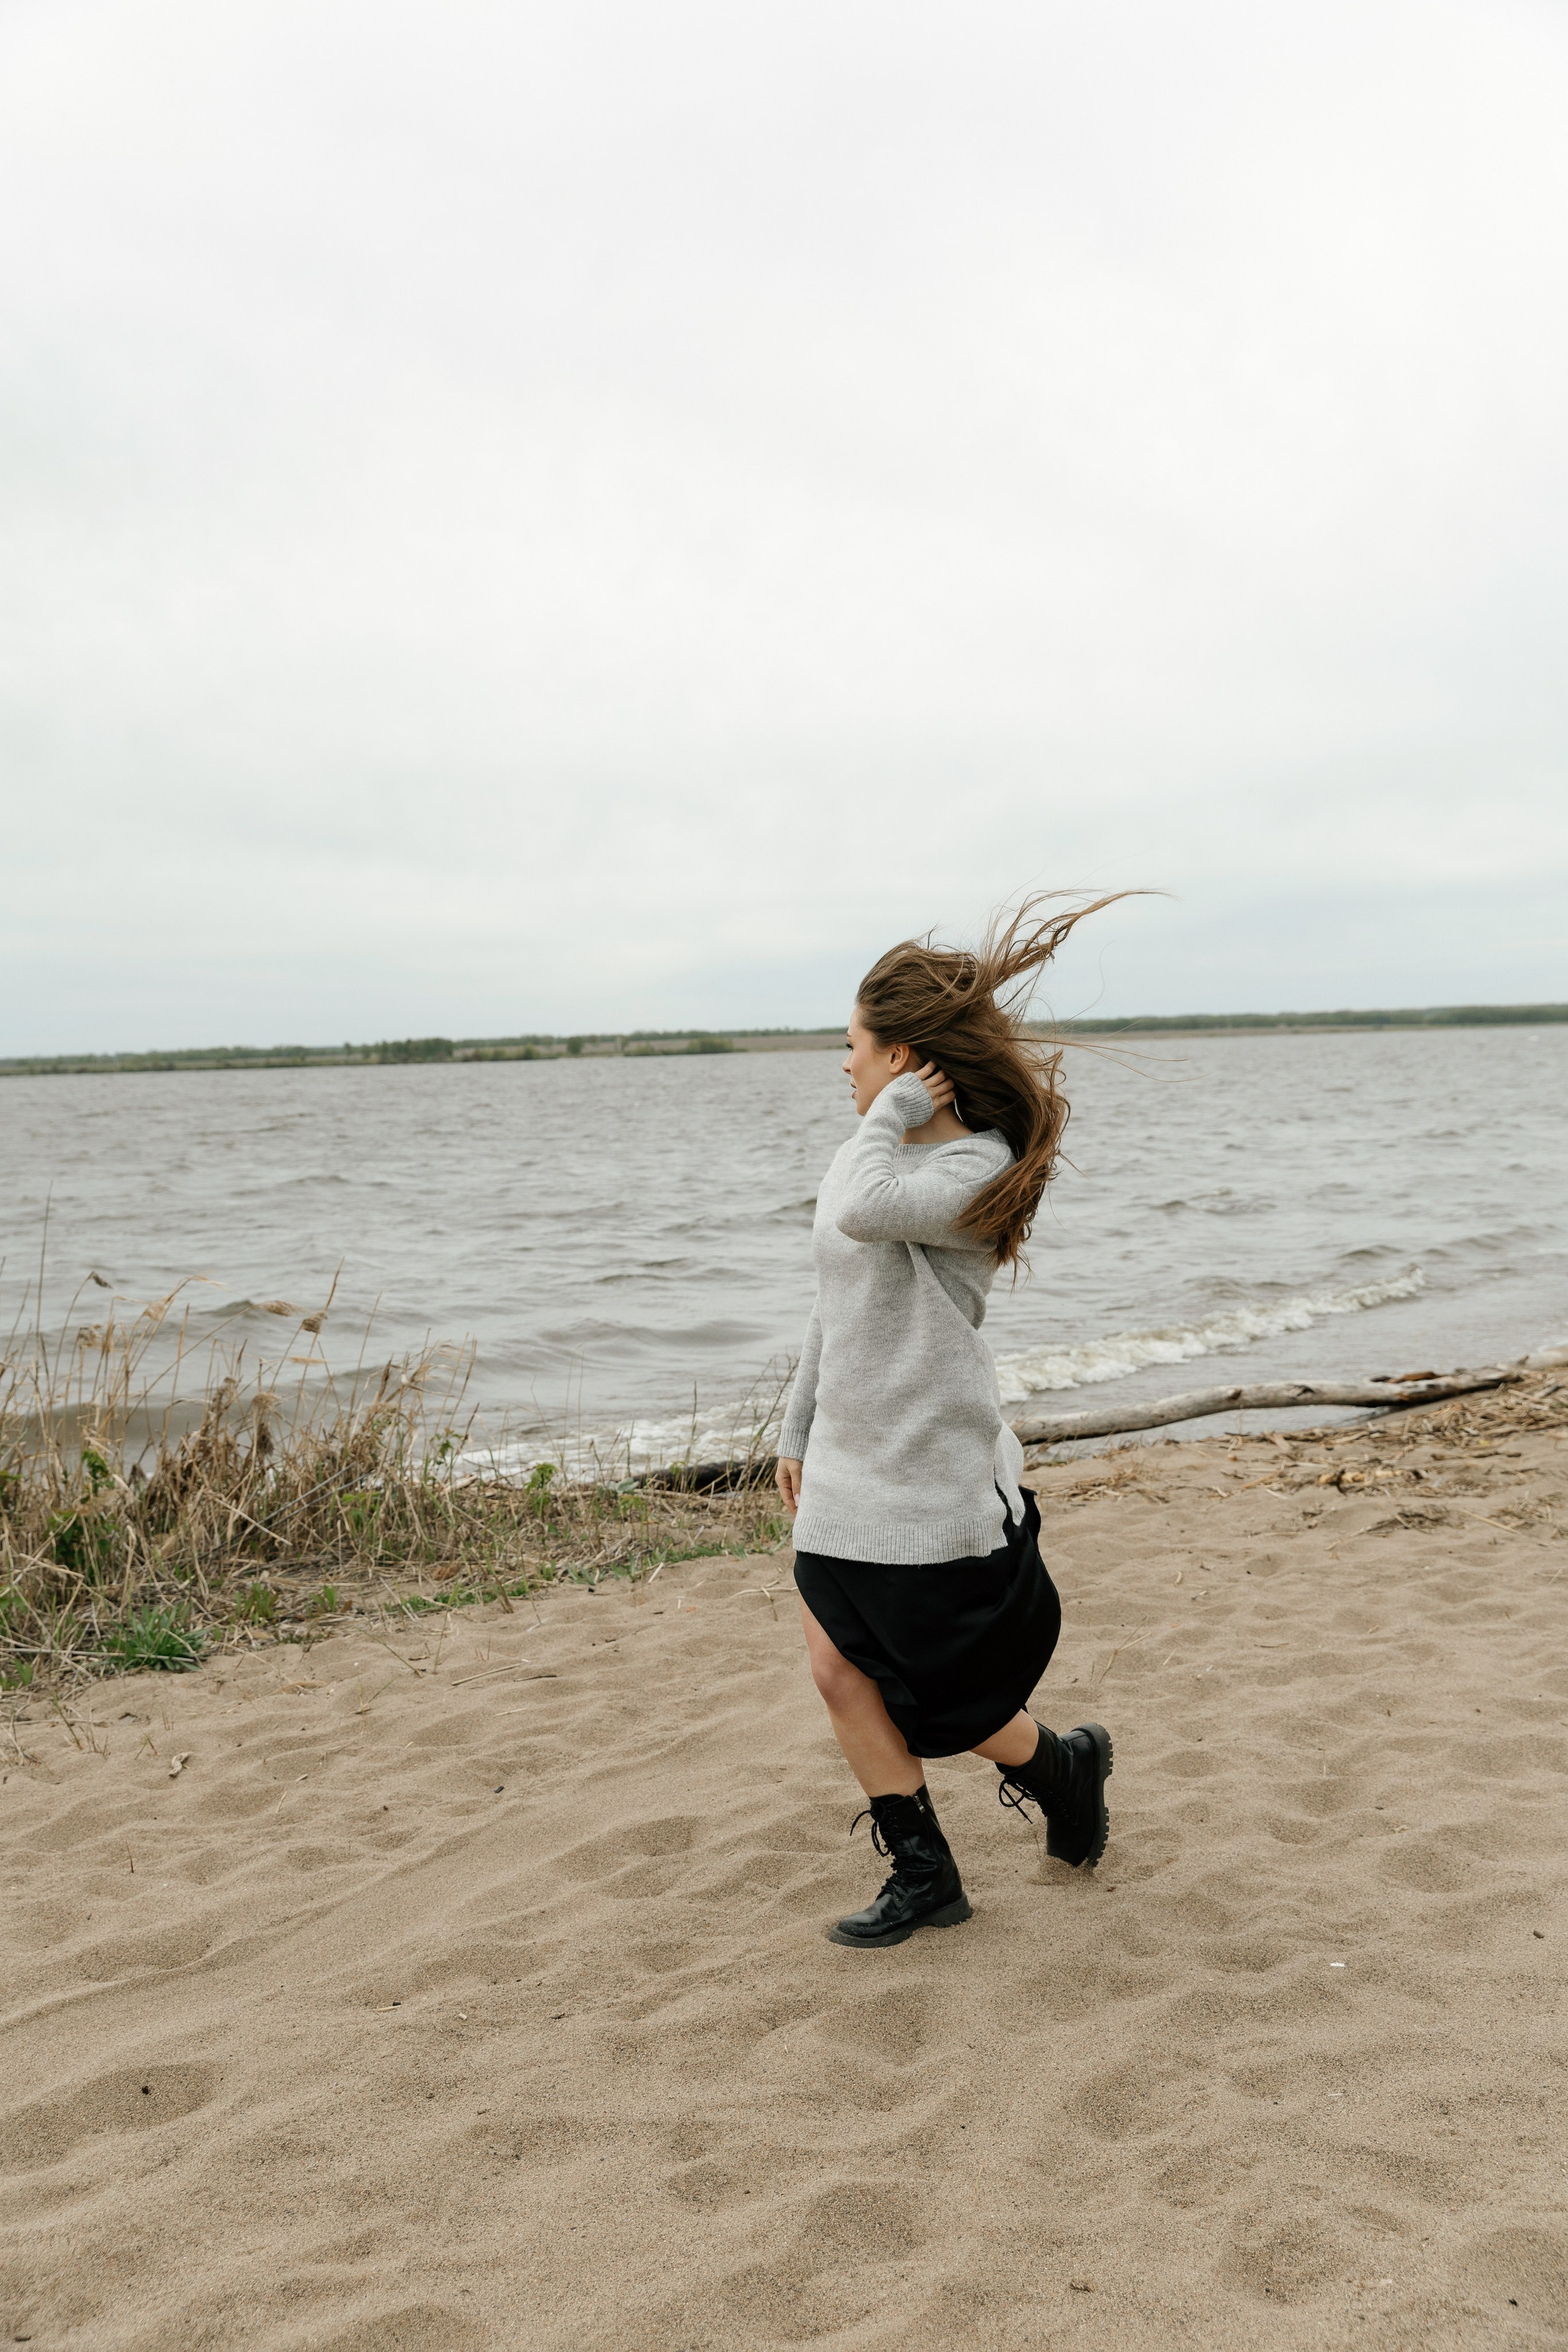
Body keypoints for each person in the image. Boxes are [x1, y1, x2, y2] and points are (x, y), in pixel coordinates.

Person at [776, 897, 1118, 1949]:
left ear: (907, 1061)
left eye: (855, 1049)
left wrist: (888, 1117)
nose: (844, 1070)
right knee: (837, 1668)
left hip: (931, 1478)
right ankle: (926, 1877)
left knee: (957, 1709)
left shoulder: (975, 1169)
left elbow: (872, 1212)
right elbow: (835, 1299)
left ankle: (1063, 1770)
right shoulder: (862, 1155)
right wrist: (794, 1431)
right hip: (845, 1467)